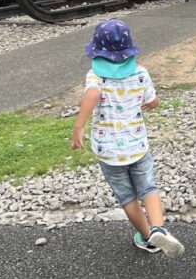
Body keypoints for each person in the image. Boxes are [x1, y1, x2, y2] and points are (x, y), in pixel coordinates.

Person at [71, 19, 184, 257]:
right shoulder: (141, 73)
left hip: (109, 152)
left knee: (127, 196)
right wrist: (150, 104)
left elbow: (92, 95)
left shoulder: (95, 77)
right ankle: (159, 227)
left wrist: (79, 126)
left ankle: (147, 237)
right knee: (148, 188)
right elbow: (153, 101)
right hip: (137, 146)